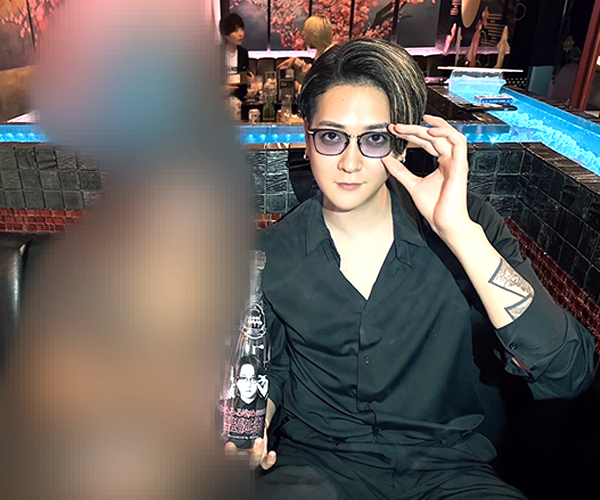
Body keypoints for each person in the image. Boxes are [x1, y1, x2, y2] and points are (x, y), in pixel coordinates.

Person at [231, 38, 597, 499]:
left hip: (451, 473)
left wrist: (459, 234)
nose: (349, 162)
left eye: (374, 139)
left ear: (401, 146)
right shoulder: (270, 253)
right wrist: (247, 431)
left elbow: (567, 370)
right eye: (331, 136)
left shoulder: (468, 226)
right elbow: (270, 372)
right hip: (318, 469)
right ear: (307, 139)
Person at [278, 15, 334, 86]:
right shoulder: (324, 52)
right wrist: (295, 61)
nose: (302, 34)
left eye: (305, 31)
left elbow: (318, 87)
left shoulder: (329, 60)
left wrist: (297, 86)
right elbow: (312, 73)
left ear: (314, 34)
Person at [220, 13, 254, 101]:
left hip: (238, 98)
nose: (240, 34)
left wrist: (250, 80)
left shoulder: (243, 53)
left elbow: (244, 80)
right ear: (225, 34)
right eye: (236, 31)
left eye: (242, 30)